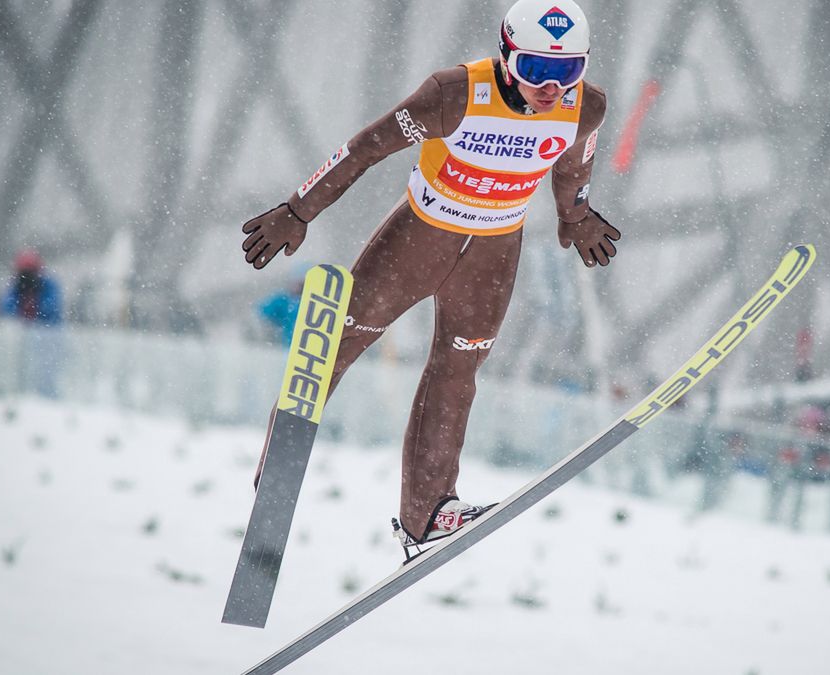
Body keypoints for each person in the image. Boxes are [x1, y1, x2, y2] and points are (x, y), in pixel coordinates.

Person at [239, 0, 617, 555]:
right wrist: (298, 211)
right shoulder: (455, 93)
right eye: (537, 69)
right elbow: (363, 149)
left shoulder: (587, 108)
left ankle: (429, 511)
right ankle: (280, 466)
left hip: (494, 252)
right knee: (337, 345)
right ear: (508, 55)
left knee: (458, 369)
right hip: (420, 237)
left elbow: (573, 165)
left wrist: (576, 215)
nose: (551, 87)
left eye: (568, 71)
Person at [0, 249, 64, 397]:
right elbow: (6, 305)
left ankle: (46, 397)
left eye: (29, 271)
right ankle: (23, 394)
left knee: (47, 369)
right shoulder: (16, 286)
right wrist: (22, 308)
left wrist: (33, 308)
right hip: (21, 336)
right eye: (24, 272)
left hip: (49, 336)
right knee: (20, 367)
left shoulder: (49, 285)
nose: (27, 276)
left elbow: (53, 306)